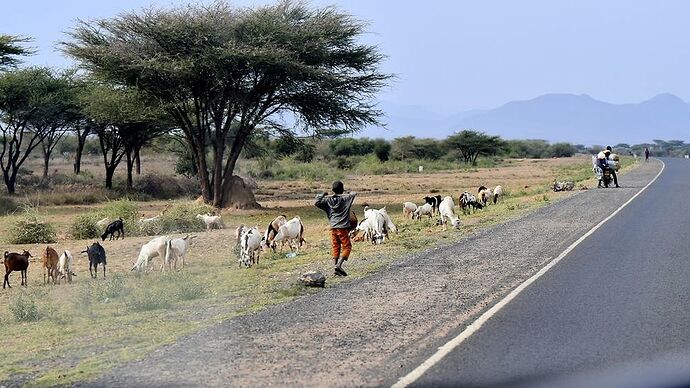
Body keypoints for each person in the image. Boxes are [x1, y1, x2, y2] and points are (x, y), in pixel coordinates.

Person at [315, 181, 357, 276]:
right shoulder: (345, 199)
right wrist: (349, 193)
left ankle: (335, 269)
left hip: (333, 227)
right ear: (342, 189)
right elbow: (353, 194)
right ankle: (338, 265)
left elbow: (317, 202)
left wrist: (323, 195)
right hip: (342, 228)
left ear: (332, 190)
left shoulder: (328, 201)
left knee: (336, 246)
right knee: (347, 247)